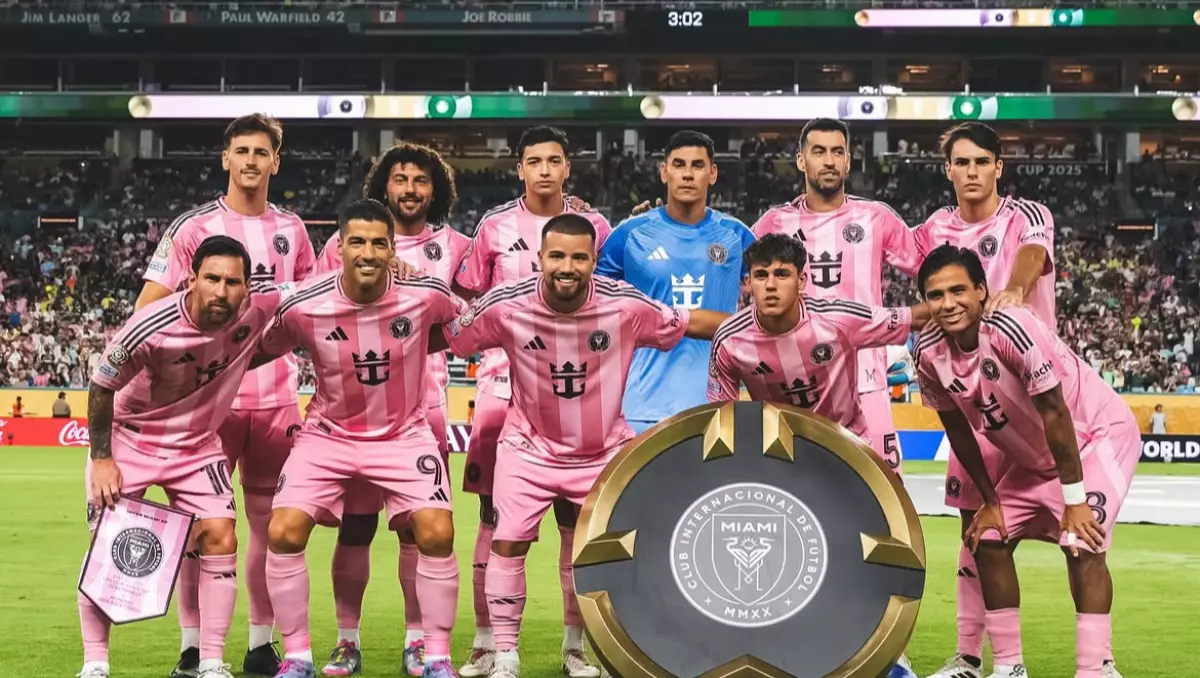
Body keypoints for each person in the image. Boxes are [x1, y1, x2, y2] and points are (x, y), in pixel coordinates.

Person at [439, 213, 729, 678]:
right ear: (540, 258)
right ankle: (506, 656)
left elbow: (689, 322)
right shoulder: (506, 305)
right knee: (508, 544)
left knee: (603, 551)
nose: (567, 267)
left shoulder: (625, 305)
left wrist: (760, 324)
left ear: (594, 261)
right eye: (557, 256)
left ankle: (577, 649)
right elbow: (449, 335)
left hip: (602, 451)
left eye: (579, 257)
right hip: (528, 448)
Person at [136, 113, 316, 678]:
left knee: (269, 528)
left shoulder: (294, 230)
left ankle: (261, 644)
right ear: (225, 158)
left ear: (276, 162)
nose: (251, 161)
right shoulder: (192, 228)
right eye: (241, 151)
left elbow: (310, 309)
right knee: (200, 528)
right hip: (206, 406)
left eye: (261, 152)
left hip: (276, 399)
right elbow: (147, 309)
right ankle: (193, 647)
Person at [254, 199, 463, 678]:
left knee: (437, 532)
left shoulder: (426, 294)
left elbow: (465, 328)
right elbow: (261, 348)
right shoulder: (305, 304)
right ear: (340, 247)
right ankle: (298, 657)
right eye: (357, 242)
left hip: (404, 434)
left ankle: (436, 657)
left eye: (378, 243)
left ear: (392, 249)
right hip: (328, 435)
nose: (367, 253)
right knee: (283, 530)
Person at [911, 123, 1091, 678]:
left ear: (998, 166)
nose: (971, 171)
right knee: (978, 532)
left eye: (981, 161)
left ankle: (1094, 661)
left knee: (1078, 534)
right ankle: (970, 658)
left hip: (1030, 392)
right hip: (973, 399)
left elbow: (1033, 255)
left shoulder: (1026, 215)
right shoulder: (933, 229)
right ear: (948, 170)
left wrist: (1013, 289)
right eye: (961, 162)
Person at [913, 245, 1137, 678]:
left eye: (958, 290)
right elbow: (958, 431)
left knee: (1082, 542)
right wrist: (990, 499)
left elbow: (1056, 413)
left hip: (1096, 436)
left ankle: (1094, 670)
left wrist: (1075, 500)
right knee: (988, 537)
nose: (948, 303)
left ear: (981, 291)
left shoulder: (1011, 327)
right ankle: (1010, 668)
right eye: (936, 295)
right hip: (1036, 459)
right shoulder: (927, 352)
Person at [78, 236, 291, 678]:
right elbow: (101, 385)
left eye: (232, 282)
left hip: (196, 445)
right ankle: (95, 663)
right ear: (191, 279)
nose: (221, 290)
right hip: (132, 440)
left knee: (221, 536)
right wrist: (101, 460)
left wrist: (393, 268)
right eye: (212, 278)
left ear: (247, 288)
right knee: (110, 544)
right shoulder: (150, 325)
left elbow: (319, 286)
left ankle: (211, 662)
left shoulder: (259, 309)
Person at [452, 126, 611, 678]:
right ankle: (486, 643)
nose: (544, 170)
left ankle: (575, 646)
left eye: (554, 160)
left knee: (577, 527)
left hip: (576, 396)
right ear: (519, 168)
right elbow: (467, 297)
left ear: (568, 167)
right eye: (534, 161)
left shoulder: (596, 226)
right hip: (502, 392)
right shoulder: (493, 227)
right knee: (493, 523)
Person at [312, 142, 468, 677]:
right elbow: (316, 307)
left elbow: (467, 320)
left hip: (423, 410)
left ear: (435, 189)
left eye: (421, 180)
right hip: (351, 415)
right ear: (383, 185)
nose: (410, 189)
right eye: (400, 179)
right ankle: (347, 641)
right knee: (355, 529)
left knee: (417, 532)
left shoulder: (456, 247)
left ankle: (417, 641)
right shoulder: (340, 244)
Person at [753, 118, 922, 473]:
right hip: (796, 383)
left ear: (848, 161)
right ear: (801, 160)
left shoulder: (876, 218)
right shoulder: (774, 223)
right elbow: (727, 264)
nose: (829, 160)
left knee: (885, 488)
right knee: (797, 490)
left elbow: (928, 267)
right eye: (819, 151)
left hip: (865, 380)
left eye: (837, 152)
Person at [596, 130, 755, 435]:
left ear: (713, 174)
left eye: (697, 165)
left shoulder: (737, 236)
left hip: (716, 406)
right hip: (640, 406)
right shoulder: (629, 235)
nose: (687, 174)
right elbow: (593, 303)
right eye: (679, 164)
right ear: (664, 171)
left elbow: (770, 305)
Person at [707, 233, 929, 438]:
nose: (771, 285)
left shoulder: (839, 319)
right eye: (761, 275)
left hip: (846, 445)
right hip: (778, 452)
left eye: (782, 274)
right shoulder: (729, 340)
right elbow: (721, 417)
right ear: (748, 283)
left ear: (801, 281)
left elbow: (915, 317)